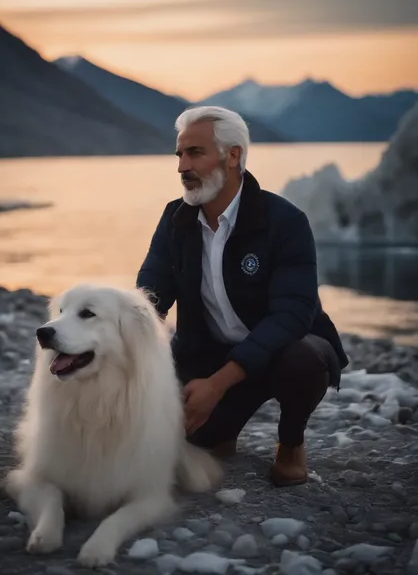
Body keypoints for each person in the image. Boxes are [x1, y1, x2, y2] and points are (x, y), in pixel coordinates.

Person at [136, 106, 349, 486]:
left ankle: (291, 442)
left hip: (280, 353)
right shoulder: (175, 220)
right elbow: (149, 296)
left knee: (302, 360)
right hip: (208, 353)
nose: (182, 166)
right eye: (179, 154)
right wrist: (113, 341)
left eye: (195, 153)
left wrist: (216, 385)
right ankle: (224, 429)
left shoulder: (285, 221)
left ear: (232, 155)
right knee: (191, 439)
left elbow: (292, 315)